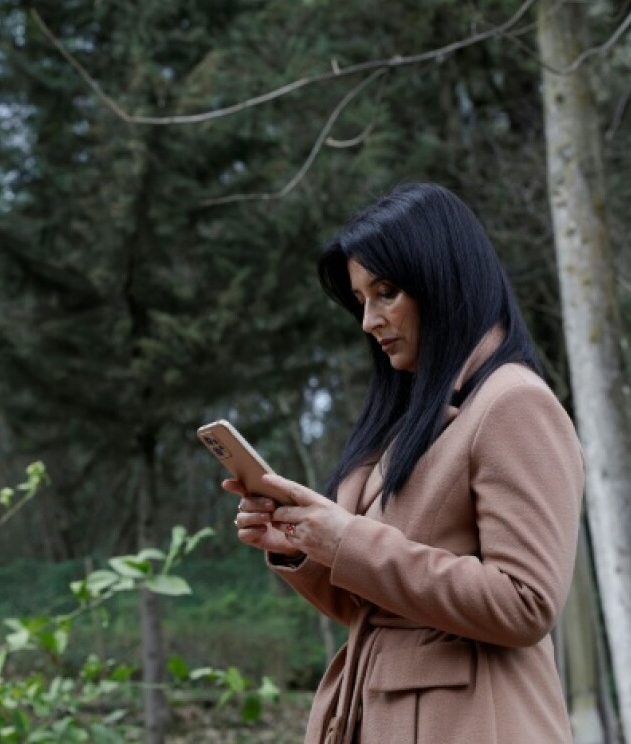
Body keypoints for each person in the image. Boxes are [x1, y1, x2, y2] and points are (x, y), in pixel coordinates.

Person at [226, 183, 585, 743]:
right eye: (361, 299)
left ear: (442, 280)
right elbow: (373, 605)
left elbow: (526, 602)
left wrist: (350, 542)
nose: (369, 320)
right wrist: (305, 544)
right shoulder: (412, 415)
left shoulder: (513, 403)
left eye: (386, 292)